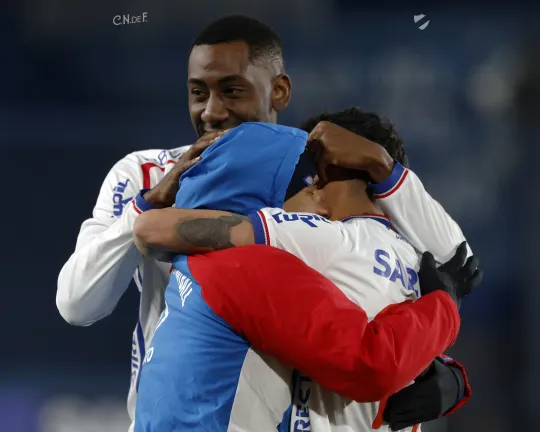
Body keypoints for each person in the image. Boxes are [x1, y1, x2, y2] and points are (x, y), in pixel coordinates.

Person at [56, 15, 474, 429]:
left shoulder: (316, 175)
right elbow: (77, 302)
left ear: (279, 90)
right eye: (198, 93)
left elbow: (441, 270)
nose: (211, 112)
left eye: (232, 91)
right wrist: (146, 206)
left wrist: (444, 368)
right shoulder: (146, 173)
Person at [132, 113, 481, 431]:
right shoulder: (418, 263)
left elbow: (151, 230)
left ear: (322, 174)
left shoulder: (308, 237)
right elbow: (454, 261)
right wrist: (445, 347)